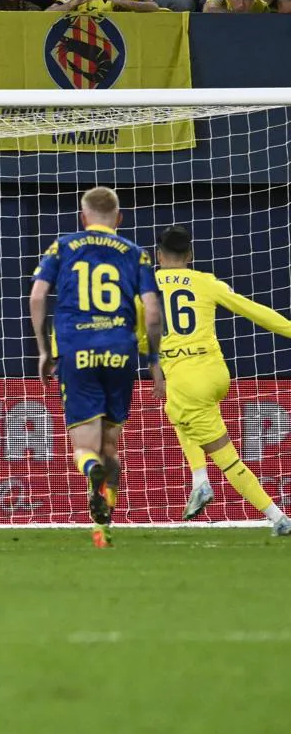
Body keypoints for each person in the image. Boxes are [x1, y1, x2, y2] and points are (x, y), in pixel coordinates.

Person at [29, 186, 163, 549]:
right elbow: (152, 312)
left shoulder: (64, 246)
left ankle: (92, 473)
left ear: (83, 216)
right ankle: (104, 528)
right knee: (111, 445)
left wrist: (43, 350)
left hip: (77, 350)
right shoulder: (136, 254)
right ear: (118, 218)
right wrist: (153, 360)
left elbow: (38, 295)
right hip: (120, 351)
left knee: (84, 449)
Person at [151, 226, 291, 535]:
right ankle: (199, 479)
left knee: (226, 457)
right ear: (189, 255)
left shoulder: (144, 287)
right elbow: (253, 310)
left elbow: (139, 334)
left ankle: (278, 518)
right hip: (215, 372)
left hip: (186, 376)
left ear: (157, 256)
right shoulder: (206, 282)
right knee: (176, 412)